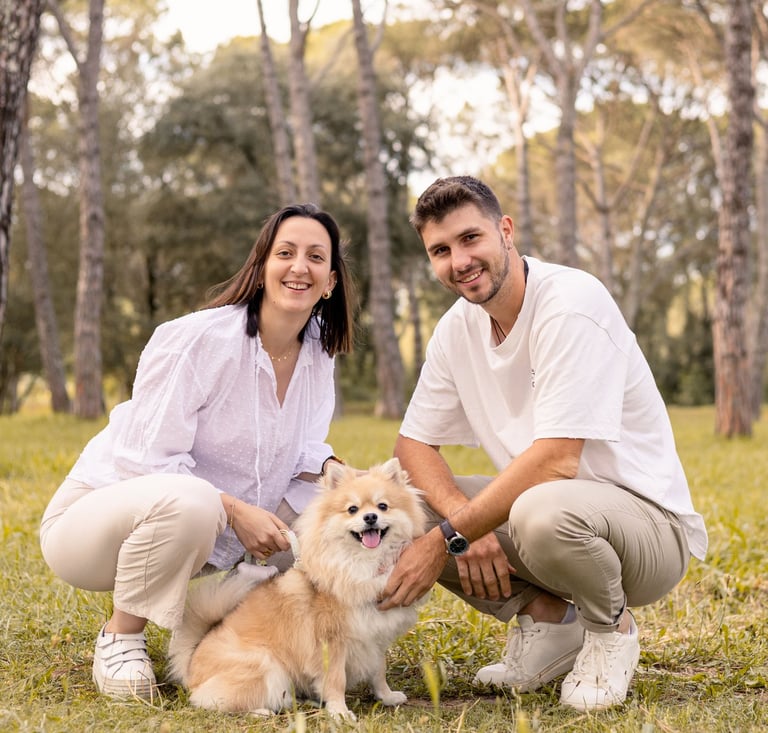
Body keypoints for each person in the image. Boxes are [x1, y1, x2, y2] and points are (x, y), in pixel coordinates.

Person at [378, 176, 707, 711]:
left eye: (470, 239)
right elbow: (412, 447)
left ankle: (610, 631)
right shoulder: (456, 328)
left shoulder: (571, 302)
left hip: (647, 532)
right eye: (440, 250)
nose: (459, 261)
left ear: (505, 231)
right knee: (403, 505)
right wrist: (461, 518)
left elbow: (557, 461)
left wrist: (450, 537)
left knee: (535, 509)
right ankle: (552, 624)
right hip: (551, 517)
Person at [39, 203, 355, 700]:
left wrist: (341, 474)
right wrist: (235, 510)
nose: (300, 267)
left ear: (331, 280)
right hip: (93, 530)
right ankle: (121, 637)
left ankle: (255, 641)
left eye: (316, 257)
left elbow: (304, 449)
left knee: (334, 515)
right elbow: (146, 463)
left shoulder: (317, 351)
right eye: (286, 253)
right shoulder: (199, 339)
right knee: (194, 500)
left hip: (204, 534)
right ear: (261, 266)